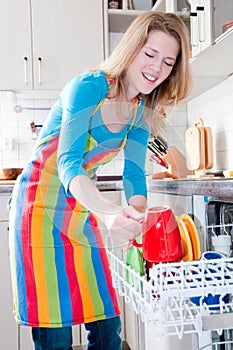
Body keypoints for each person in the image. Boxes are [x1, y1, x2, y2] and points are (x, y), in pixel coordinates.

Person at [8, 10, 192, 350]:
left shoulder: (140, 111)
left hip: (81, 209)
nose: (156, 69)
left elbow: (135, 175)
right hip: (39, 210)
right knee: (56, 331)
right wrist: (109, 213)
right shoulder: (90, 86)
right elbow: (68, 162)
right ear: (131, 48)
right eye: (150, 54)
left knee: (108, 326)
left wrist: (135, 213)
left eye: (168, 62)